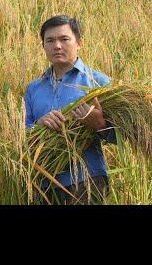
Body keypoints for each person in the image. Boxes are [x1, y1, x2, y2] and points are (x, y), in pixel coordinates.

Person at [24, 15, 116, 205]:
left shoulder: (99, 83)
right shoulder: (33, 89)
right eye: (50, 41)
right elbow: (21, 135)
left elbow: (120, 137)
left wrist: (99, 124)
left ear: (79, 43)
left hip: (86, 181)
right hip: (42, 184)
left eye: (64, 39)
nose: (57, 46)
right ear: (43, 46)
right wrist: (38, 125)